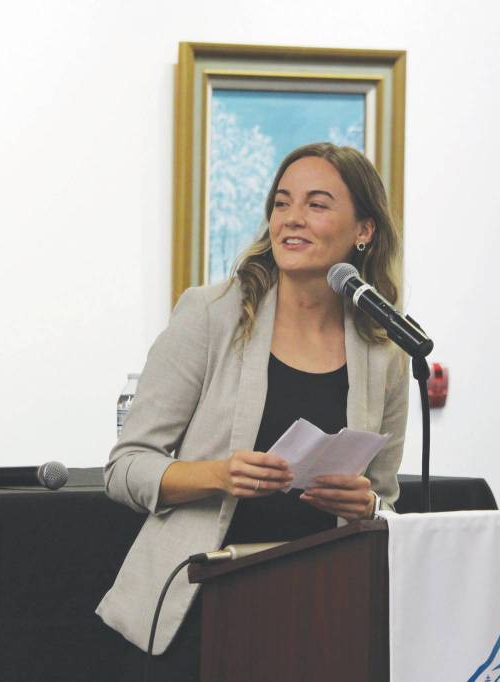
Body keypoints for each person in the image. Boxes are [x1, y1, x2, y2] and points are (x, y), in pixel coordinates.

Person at [97, 142, 409, 679]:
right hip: (200, 607)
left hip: (322, 616)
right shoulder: (212, 313)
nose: (292, 219)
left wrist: (368, 507)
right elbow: (125, 468)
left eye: (316, 204)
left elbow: (384, 502)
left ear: (364, 230)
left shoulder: (386, 351)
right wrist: (222, 474)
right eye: (282, 202)